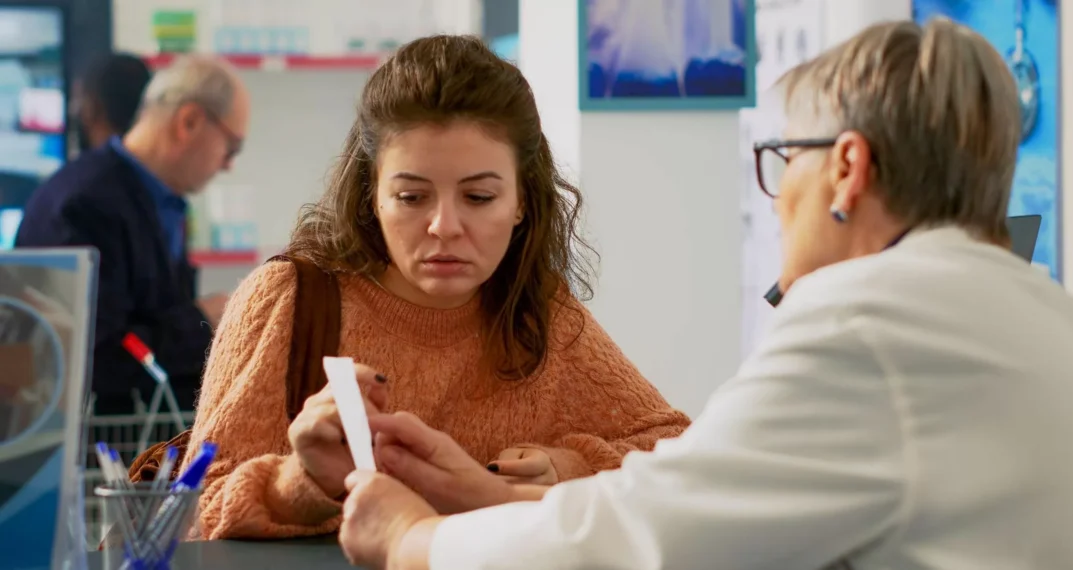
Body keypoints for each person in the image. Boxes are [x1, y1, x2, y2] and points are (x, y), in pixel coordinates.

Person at [336, 19, 1073, 570]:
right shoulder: (1044, 314)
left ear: (847, 170)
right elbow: (706, 498)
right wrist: (480, 493)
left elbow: (650, 536)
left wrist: (415, 538)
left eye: (787, 155)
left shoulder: (872, 326)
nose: (777, 192)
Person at [181, 35, 690, 540]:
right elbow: (191, 512)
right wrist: (305, 481)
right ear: (371, 196)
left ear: (521, 203)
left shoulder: (538, 310)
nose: (444, 225)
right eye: (411, 196)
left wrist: (568, 466)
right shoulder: (288, 300)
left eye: (479, 196)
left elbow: (678, 453)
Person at [16, 55, 248, 415]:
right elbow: (92, 360)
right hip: (88, 449)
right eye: (231, 147)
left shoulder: (162, 201)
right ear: (188, 122)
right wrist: (200, 321)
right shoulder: (85, 204)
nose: (228, 164)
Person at [74, 53, 153, 152]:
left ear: (92, 108)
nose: (75, 110)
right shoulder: (158, 164)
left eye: (80, 100)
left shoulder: (83, 166)